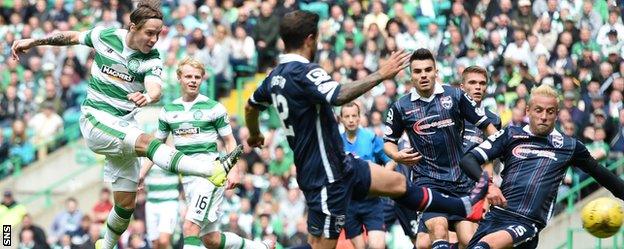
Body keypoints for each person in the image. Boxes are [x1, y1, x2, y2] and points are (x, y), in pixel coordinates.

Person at [244, 10, 490, 249]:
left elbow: (250, 106)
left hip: (342, 163)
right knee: (321, 246)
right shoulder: (305, 71)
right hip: (325, 176)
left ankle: (462, 207)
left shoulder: (273, 77)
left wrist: (254, 133)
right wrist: (381, 74)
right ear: (311, 39)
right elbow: (338, 95)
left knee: (397, 183)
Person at [11, 2, 242, 249]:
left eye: (158, 34)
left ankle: (105, 245)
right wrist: (33, 42)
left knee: (124, 208)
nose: (154, 40)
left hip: (123, 126)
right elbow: (70, 36)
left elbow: (155, 86)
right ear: (133, 27)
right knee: (148, 142)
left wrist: (149, 96)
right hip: (95, 120)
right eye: (149, 33)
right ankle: (210, 170)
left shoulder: (151, 58)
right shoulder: (105, 36)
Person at [460, 84, 624, 249]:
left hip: (526, 223)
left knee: (484, 246)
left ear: (557, 115)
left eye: (550, 111)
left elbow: (602, 174)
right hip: (494, 217)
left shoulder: (569, 146)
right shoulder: (509, 135)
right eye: (538, 110)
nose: (544, 116)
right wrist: (488, 186)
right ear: (528, 111)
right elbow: (468, 160)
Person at [143, 57, 273, 249]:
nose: (193, 80)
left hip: (211, 176)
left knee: (189, 228)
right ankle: (259, 248)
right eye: (188, 76)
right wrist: (142, 173)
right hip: (188, 179)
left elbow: (229, 140)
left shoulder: (214, 107)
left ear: (202, 79)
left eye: (197, 77)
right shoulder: (168, 111)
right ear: (179, 78)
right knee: (210, 239)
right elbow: (157, 147)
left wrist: (235, 170)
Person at [383, 49, 500, 249]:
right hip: (428, 182)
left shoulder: (455, 95)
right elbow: (388, 142)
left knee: (469, 240)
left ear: (436, 71)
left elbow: (487, 127)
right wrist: (397, 156)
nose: (423, 75)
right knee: (438, 230)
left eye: (428, 70)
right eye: (418, 71)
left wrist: (497, 150)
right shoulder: (400, 107)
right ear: (411, 75)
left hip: (461, 182)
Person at [339, 102, 390, 249]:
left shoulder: (371, 138)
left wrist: (383, 178)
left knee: (377, 246)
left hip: (372, 201)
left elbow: (390, 161)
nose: (351, 120)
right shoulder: (335, 143)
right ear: (341, 119)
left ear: (359, 117)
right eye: (347, 116)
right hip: (348, 204)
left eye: (354, 116)